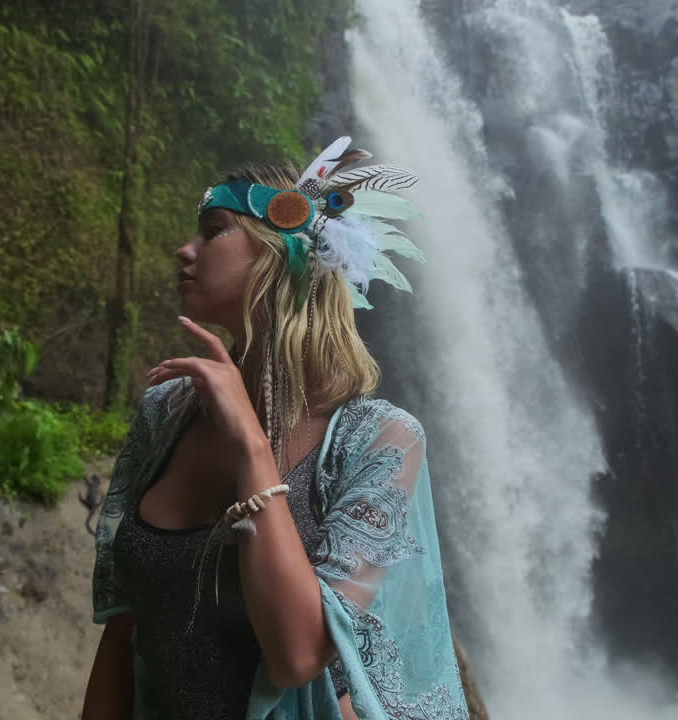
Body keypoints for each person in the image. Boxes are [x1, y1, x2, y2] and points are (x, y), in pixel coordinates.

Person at [81, 137, 470, 720]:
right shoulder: (165, 413)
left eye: (213, 230)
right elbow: (122, 632)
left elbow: (296, 658)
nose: (183, 250)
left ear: (277, 250)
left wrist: (248, 442)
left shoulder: (382, 440)